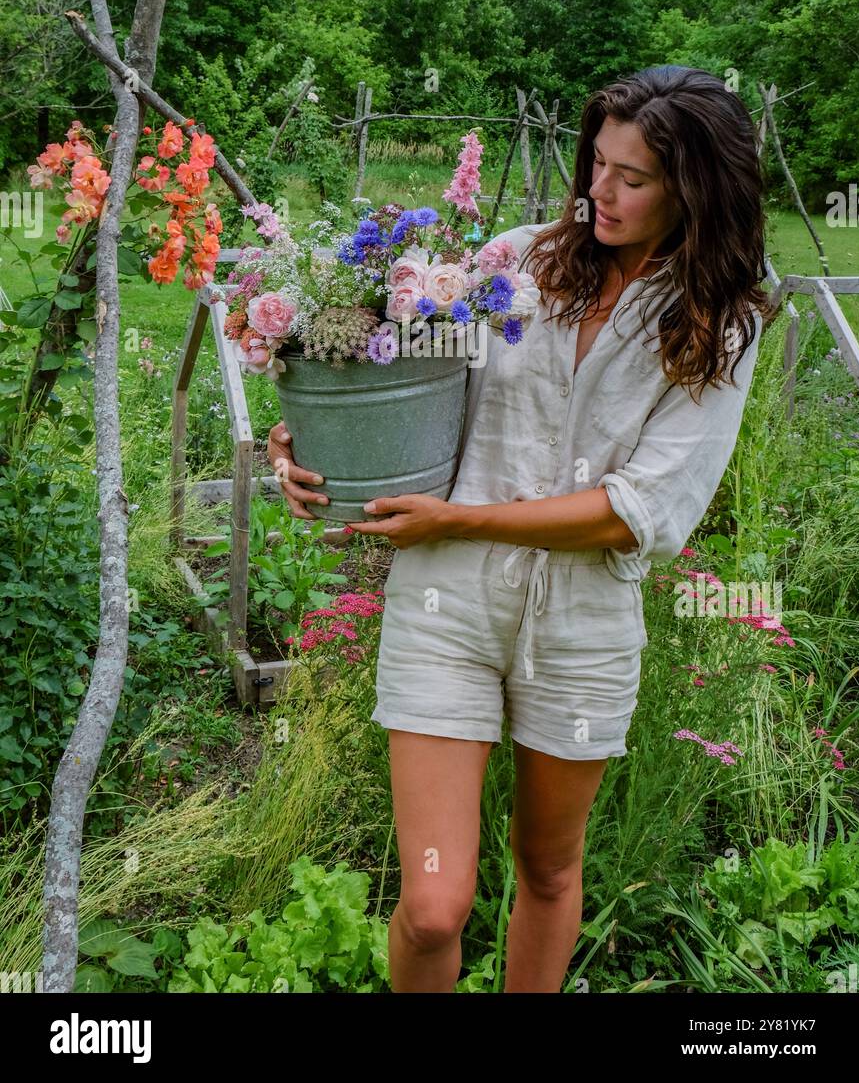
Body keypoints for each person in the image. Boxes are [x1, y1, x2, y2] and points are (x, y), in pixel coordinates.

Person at [267, 65, 777, 993]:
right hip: (445, 602)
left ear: (697, 190)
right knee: (433, 904)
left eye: (634, 177)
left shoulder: (718, 325)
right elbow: (400, 382)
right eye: (597, 163)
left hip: (582, 629)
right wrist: (310, 441)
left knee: (546, 869)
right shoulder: (516, 265)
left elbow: (638, 513)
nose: (599, 191)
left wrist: (460, 515)